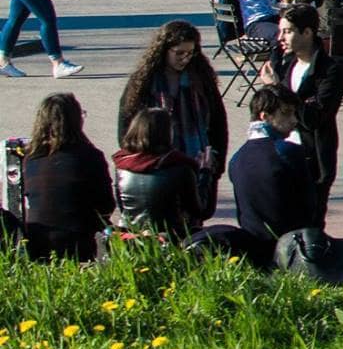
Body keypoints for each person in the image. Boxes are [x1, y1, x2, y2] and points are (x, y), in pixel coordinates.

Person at [117, 21, 228, 213]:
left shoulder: (202, 80)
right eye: (179, 53)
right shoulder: (143, 84)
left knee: (194, 216)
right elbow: (126, 125)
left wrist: (215, 166)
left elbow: (218, 124)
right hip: (155, 168)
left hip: (196, 164)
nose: (185, 58)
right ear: (164, 50)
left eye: (190, 53)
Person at [260, 5, 343, 210]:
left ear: (307, 32)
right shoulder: (286, 63)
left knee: (311, 222)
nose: (280, 37)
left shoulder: (330, 72)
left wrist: (277, 88)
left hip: (312, 161)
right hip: (281, 154)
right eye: (280, 31)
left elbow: (314, 117)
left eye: (287, 31)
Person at [19, 93, 112, 258]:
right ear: (76, 121)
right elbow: (106, 206)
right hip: (78, 243)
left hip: (38, 241)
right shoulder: (90, 156)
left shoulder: (31, 158)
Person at [227, 87, 323, 248]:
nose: (294, 120)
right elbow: (310, 205)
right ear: (264, 116)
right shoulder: (287, 151)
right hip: (290, 249)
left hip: (253, 249)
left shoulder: (236, 159)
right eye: (286, 113)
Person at [112, 107, 205, 239]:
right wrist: (205, 174)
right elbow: (199, 211)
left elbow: (123, 207)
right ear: (167, 133)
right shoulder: (180, 167)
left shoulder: (122, 167)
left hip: (133, 238)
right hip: (171, 239)